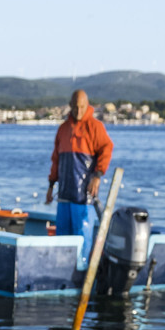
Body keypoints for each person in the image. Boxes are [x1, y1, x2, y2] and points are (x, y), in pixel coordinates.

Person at [46, 87, 113, 248]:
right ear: (70, 105)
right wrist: (50, 186)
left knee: (82, 237)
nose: (78, 110)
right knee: (62, 238)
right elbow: (56, 159)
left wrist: (97, 175)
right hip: (64, 195)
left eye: (82, 106)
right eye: (75, 106)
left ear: (87, 105)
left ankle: (83, 270)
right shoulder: (63, 129)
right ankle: (63, 270)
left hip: (84, 197)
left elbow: (107, 148)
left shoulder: (95, 127)